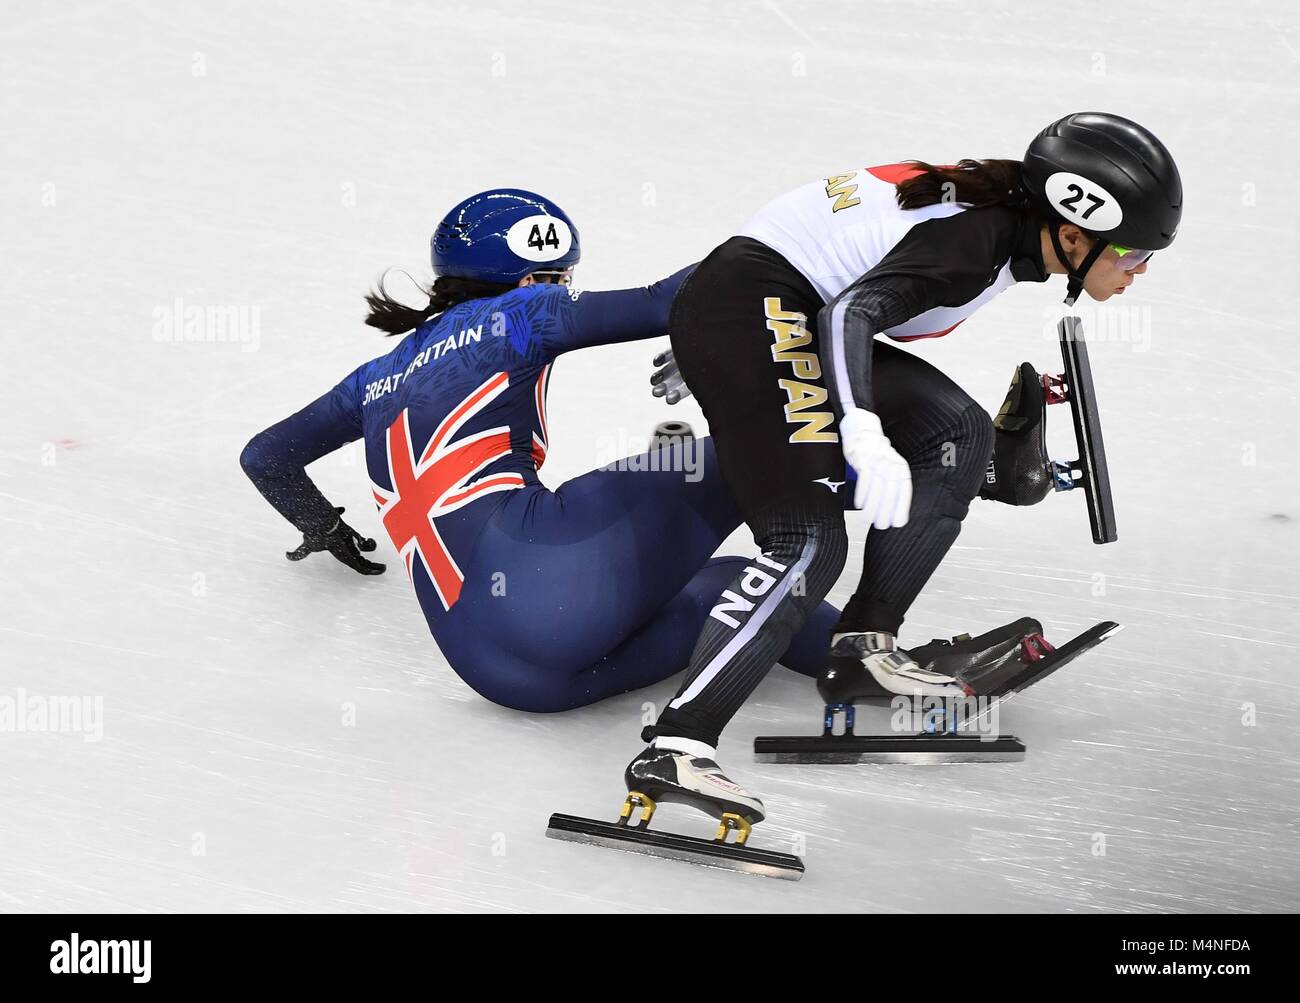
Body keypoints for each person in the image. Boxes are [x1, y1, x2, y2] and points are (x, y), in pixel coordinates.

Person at [631, 112, 1182, 831]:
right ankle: (678, 743)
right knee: (808, 539)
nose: (1138, 274)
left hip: (769, 306)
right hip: (764, 308)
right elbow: (855, 308)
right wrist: (855, 425)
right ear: (1074, 234)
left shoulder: (1002, 225)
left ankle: (864, 647)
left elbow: (835, 272)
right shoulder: (975, 239)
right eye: (1135, 254)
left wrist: (726, 326)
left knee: (959, 431)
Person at [240, 189, 840, 713]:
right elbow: (668, 299)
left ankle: (859, 666)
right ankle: (884, 610)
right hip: (551, 589)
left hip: (512, 677)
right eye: (559, 277)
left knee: (740, 586)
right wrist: (811, 242)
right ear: (532, 281)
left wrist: (322, 525)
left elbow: (265, 456)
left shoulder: (373, 380)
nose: (565, 289)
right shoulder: (521, 314)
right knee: (768, 440)